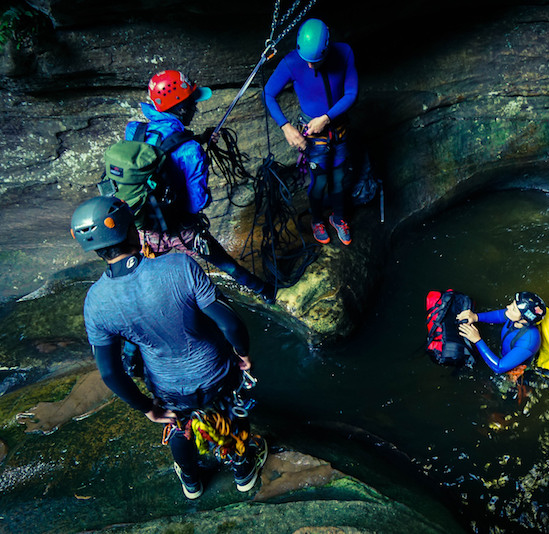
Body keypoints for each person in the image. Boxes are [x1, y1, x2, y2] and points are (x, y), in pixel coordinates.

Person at [71, 195, 268, 500]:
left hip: (168, 386)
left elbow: (110, 373)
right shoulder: (179, 266)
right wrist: (242, 353)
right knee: (231, 410)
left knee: (178, 424)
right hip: (216, 370)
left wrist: (147, 407)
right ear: (134, 232)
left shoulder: (95, 303)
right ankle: (243, 471)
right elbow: (230, 323)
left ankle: (191, 482)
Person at [132, 69, 276, 302]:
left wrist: (198, 138)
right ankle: (266, 292)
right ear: (181, 108)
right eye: (192, 102)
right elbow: (196, 203)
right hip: (181, 228)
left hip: (146, 227)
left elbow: (164, 145)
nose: (196, 107)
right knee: (224, 263)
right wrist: (198, 154)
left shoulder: (137, 132)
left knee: (145, 274)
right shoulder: (191, 151)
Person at [263, 18, 358, 246]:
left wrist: (326, 118)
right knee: (319, 180)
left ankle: (337, 217)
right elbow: (268, 93)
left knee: (338, 177)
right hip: (314, 136)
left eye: (315, 61)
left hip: (338, 128)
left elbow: (351, 93)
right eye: (306, 60)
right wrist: (285, 126)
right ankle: (317, 219)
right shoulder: (292, 62)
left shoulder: (343, 53)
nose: (309, 66)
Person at [457, 291, 549, 383]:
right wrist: (476, 317)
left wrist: (477, 340)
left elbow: (499, 367)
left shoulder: (529, 341)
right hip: (504, 355)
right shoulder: (516, 317)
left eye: (513, 308)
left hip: (515, 373)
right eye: (512, 304)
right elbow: (500, 316)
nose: (508, 307)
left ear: (524, 319)